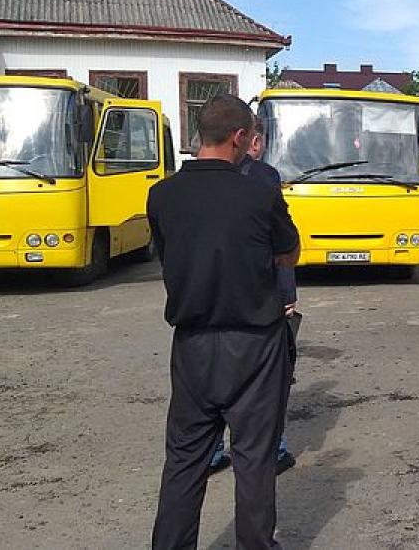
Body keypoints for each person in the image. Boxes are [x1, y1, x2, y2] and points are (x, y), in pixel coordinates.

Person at [148, 94, 300, 549]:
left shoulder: (162, 195)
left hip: (192, 341)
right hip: (254, 343)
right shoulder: (259, 192)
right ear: (239, 137)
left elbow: (169, 256)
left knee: (185, 459)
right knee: (254, 458)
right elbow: (288, 253)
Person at [209, 116, 298, 476]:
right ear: (251, 141)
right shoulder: (264, 177)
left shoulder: (198, 179)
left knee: (213, 378)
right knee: (267, 380)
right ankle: (273, 450)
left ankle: (213, 451)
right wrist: (287, 293)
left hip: (210, 297)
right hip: (260, 297)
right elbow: (282, 245)